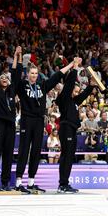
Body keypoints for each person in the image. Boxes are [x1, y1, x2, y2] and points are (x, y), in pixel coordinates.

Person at [14, 57, 75, 193]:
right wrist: (17, 59)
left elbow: (58, 75)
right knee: (24, 150)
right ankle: (18, 182)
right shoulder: (22, 85)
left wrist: (72, 64)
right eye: (32, 73)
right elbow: (15, 75)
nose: (34, 76)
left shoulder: (42, 85)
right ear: (27, 74)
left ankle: (31, 182)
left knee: (36, 151)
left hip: (39, 121)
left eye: (36, 73)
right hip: (26, 120)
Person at [57, 58, 100, 192]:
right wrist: (75, 68)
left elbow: (84, 94)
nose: (76, 93)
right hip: (66, 128)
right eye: (74, 91)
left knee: (69, 156)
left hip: (72, 129)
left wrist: (92, 85)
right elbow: (69, 85)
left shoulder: (74, 101)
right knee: (66, 155)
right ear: (69, 90)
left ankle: (64, 183)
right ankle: (63, 184)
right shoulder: (64, 99)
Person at [0, 46, 22, 191]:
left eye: (6, 78)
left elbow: (16, 73)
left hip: (11, 124)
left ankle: (6, 183)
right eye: (1, 78)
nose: (4, 78)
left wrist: (16, 56)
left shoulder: (11, 90)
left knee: (8, 154)